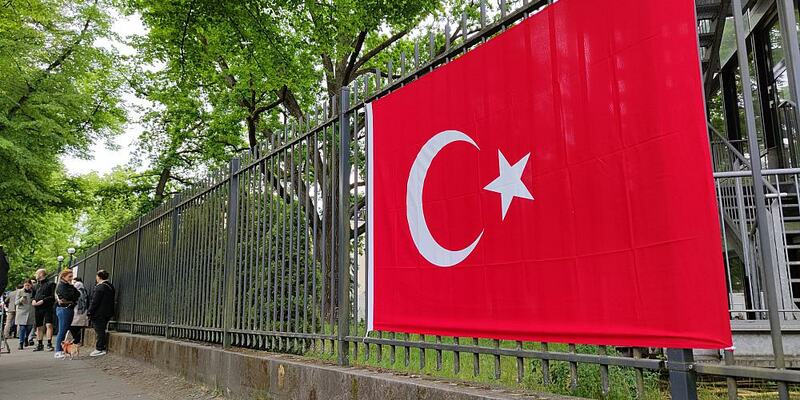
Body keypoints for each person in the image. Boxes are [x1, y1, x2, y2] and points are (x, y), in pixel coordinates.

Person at [87, 269, 115, 357]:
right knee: (101, 330)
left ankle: (100, 348)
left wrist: (90, 311)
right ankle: (101, 347)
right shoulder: (110, 286)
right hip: (107, 312)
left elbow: (95, 301)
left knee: (99, 331)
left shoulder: (100, 287)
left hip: (99, 313)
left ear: (99, 277)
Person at [54, 270, 79, 359]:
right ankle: (58, 350)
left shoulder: (69, 286)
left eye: (72, 276)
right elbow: (69, 296)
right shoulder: (61, 286)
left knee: (65, 329)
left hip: (68, 308)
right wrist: (72, 296)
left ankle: (62, 349)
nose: (71, 278)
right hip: (64, 309)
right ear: (63, 277)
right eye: (69, 276)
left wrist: (72, 295)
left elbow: (77, 294)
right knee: (62, 330)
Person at [32, 268, 55, 351]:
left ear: (41, 274)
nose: (35, 275)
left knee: (49, 324)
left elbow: (52, 297)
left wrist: (43, 301)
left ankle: (49, 343)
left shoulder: (51, 284)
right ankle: (40, 344)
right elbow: (33, 296)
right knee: (39, 326)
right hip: (37, 308)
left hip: (47, 307)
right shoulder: (36, 286)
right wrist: (34, 300)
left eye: (36, 273)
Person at [14, 281, 34, 350]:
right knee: (22, 328)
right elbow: (16, 302)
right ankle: (21, 343)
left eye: (28, 285)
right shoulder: (19, 291)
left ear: (31, 285)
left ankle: (26, 337)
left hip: (31, 311)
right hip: (22, 312)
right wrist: (21, 299)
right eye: (25, 285)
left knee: (30, 327)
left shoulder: (33, 291)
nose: (27, 287)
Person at [69, 278, 89, 345]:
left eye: (75, 283)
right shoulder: (84, 291)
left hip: (78, 311)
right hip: (81, 311)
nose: (74, 284)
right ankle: (76, 339)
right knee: (76, 326)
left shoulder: (79, 292)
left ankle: (76, 340)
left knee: (73, 326)